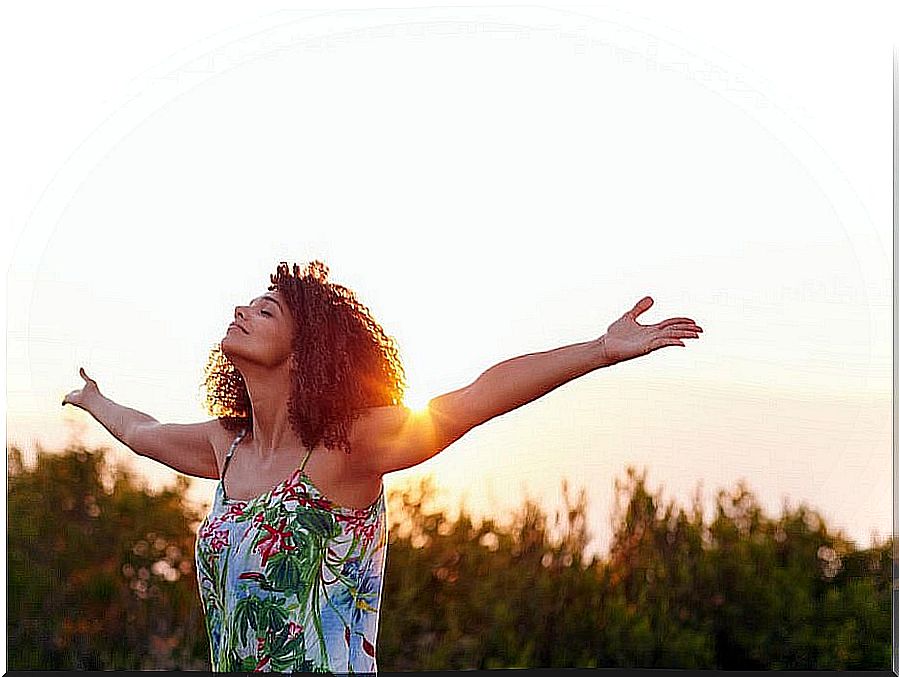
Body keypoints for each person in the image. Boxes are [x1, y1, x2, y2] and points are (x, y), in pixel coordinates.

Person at [63, 259, 702, 674]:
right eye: (246, 305)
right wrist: (94, 401)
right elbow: (143, 433)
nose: (242, 312)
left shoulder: (348, 448)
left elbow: (472, 401)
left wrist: (599, 350)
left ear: (306, 351)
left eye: (266, 310)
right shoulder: (223, 447)